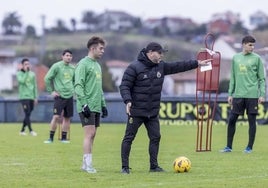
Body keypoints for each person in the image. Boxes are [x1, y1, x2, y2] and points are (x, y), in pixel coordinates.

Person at [119, 42, 212, 174]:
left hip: (152, 112)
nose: (162, 55)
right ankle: (125, 167)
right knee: (129, 137)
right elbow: (124, 86)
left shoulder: (161, 66)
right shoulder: (134, 67)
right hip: (136, 111)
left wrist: (197, 63)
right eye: (160, 53)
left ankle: (154, 166)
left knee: (156, 137)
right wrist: (128, 101)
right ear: (150, 53)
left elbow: (179, 66)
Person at [220, 35, 265, 154]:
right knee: (232, 120)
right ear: (244, 44)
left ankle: (249, 147)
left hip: (252, 95)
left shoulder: (257, 59)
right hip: (238, 95)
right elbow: (233, 78)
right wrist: (230, 94)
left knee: (251, 121)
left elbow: (262, 79)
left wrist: (262, 94)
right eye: (250, 45)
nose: (252, 47)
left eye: (253, 45)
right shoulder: (235, 58)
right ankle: (228, 147)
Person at [74, 36, 108, 173]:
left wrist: (103, 104)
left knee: (92, 135)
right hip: (86, 105)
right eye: (101, 48)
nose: (103, 51)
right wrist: (83, 104)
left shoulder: (97, 65)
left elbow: (99, 88)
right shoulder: (83, 64)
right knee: (90, 133)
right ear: (92, 48)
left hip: (96, 105)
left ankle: (84, 164)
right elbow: (78, 85)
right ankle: (88, 165)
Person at [43, 49, 75, 144]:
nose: (69, 57)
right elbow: (47, 78)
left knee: (67, 118)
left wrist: (73, 90)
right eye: (67, 55)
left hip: (70, 96)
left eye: (70, 56)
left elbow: (74, 81)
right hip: (59, 96)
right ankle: (50, 138)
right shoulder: (56, 66)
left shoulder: (73, 69)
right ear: (63, 56)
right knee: (56, 116)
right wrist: (51, 91)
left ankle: (64, 139)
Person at [17, 58, 38, 136]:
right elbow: (22, 81)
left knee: (28, 114)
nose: (27, 65)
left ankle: (22, 130)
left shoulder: (32, 74)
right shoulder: (19, 73)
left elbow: (35, 86)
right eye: (25, 64)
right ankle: (31, 131)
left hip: (31, 97)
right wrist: (26, 72)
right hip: (24, 97)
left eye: (28, 64)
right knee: (27, 113)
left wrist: (35, 97)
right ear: (22, 65)